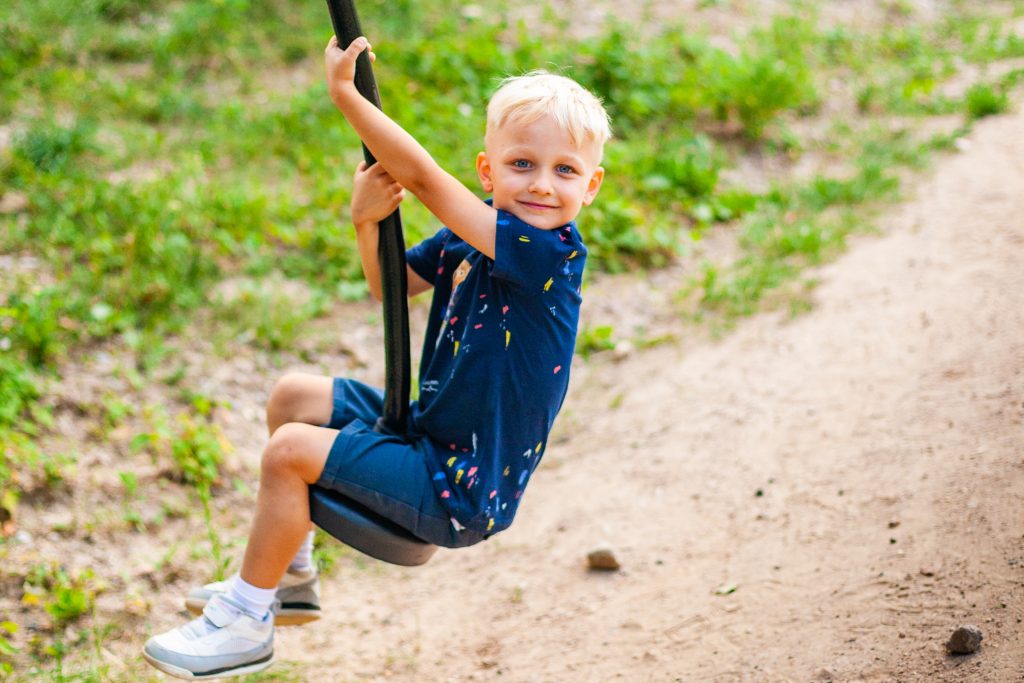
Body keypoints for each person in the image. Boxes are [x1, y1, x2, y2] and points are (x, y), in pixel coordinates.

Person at [142, 34, 610, 680]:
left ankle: (245, 621)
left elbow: (419, 176)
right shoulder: (470, 237)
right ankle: (293, 574)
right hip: (427, 433)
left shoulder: (548, 256)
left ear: (591, 186)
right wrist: (365, 221)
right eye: (522, 163)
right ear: (488, 170)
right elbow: (390, 286)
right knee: (291, 399)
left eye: (565, 171)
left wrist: (346, 95)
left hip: (459, 488)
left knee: (289, 453)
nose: (541, 185)